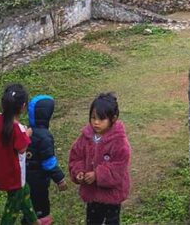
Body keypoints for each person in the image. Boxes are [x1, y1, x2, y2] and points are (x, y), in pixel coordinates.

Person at [68, 93, 130, 225]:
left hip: (111, 196)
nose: (96, 122)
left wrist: (97, 174)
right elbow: (76, 156)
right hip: (92, 194)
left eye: (101, 119)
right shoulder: (86, 137)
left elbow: (119, 167)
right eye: (93, 118)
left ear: (113, 119)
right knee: (92, 221)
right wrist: (78, 171)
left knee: (111, 222)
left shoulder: (119, 142)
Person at [0, 84, 37, 225]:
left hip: (0, 168)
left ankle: (34, 221)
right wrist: (27, 135)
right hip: (15, 174)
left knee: (25, 191)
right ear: (23, 106)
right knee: (13, 206)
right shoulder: (19, 129)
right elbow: (21, 149)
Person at [26, 95, 67, 225]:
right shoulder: (45, 137)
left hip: (25, 178)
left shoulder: (27, 131)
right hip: (39, 181)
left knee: (29, 204)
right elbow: (48, 162)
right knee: (41, 205)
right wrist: (59, 179)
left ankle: (28, 219)